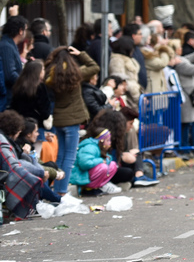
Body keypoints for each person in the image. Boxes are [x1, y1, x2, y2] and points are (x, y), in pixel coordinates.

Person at [47, 46, 99, 196]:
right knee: (69, 157)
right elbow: (94, 67)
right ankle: (62, 191)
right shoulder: (76, 74)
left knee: (61, 156)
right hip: (73, 121)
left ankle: (57, 191)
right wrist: (80, 53)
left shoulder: (50, 77)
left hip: (58, 120)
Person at [0, 110, 55, 219]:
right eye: (36, 131)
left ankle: (55, 199)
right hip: (7, 175)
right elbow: (16, 165)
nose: (38, 134)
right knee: (33, 174)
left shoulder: (10, 142)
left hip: (8, 173)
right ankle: (56, 199)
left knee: (44, 169)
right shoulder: (7, 143)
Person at [70, 124, 121, 195]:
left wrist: (106, 159)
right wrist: (101, 160)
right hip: (82, 175)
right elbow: (84, 164)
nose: (110, 143)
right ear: (102, 140)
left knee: (112, 164)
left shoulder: (99, 147)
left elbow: (106, 159)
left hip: (88, 173)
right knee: (103, 167)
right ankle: (88, 188)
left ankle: (100, 186)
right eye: (108, 140)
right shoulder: (90, 147)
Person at [8, 60, 51, 127]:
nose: (44, 71)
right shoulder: (40, 87)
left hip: (20, 122)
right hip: (36, 123)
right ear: (38, 72)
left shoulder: (19, 85)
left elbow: (14, 106)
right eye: (43, 69)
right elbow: (45, 111)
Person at [1, 15, 29, 110]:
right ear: (21, 31)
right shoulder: (6, 46)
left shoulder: (9, 44)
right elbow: (9, 74)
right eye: (25, 30)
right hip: (7, 99)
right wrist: (27, 83)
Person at [109, 36, 142, 108]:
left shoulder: (129, 58)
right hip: (126, 96)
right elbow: (120, 79)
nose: (133, 50)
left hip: (134, 96)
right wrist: (136, 93)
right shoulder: (116, 60)